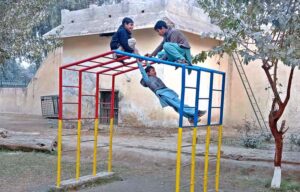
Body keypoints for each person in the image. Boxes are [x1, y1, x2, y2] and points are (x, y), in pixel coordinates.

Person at [137, 62, 206, 124]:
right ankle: (195, 112)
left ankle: (191, 118)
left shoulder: (154, 77)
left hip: (167, 91)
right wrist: (138, 60)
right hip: (163, 94)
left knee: (178, 106)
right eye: (153, 71)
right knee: (178, 105)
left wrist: (146, 62)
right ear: (148, 73)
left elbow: (148, 67)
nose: (155, 72)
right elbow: (142, 71)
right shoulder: (147, 79)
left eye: (154, 70)